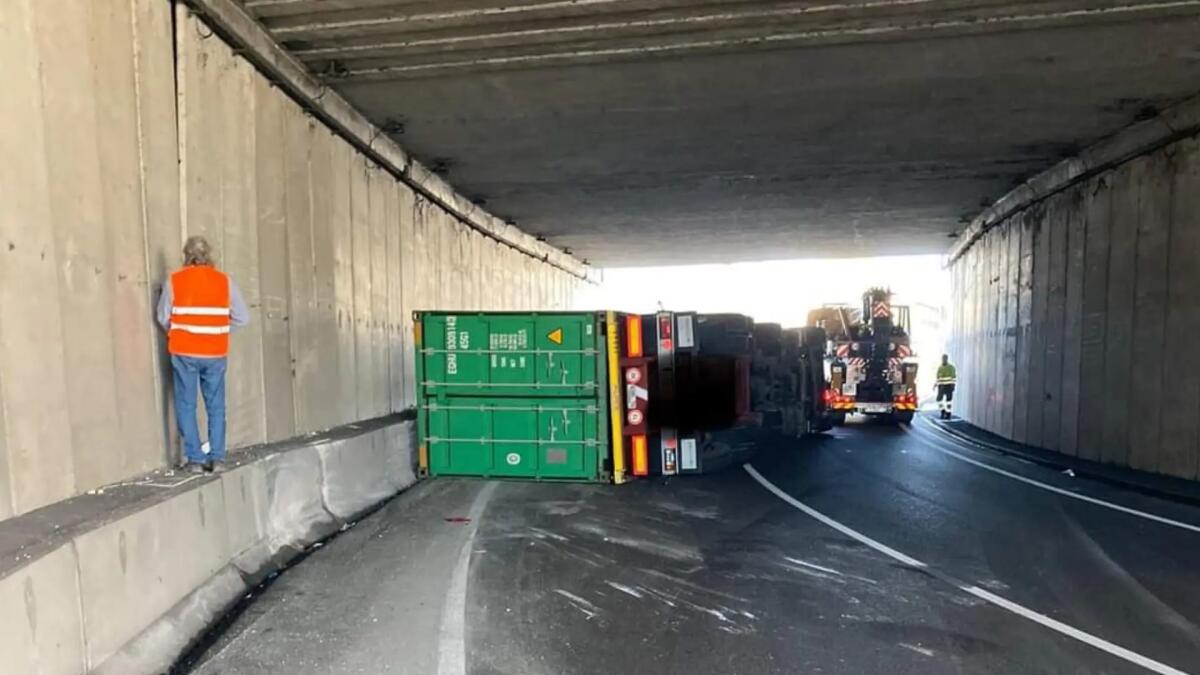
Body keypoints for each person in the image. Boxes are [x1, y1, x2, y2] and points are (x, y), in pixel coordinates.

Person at [157, 236, 249, 473]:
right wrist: (219, 331)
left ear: (186, 256)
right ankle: (217, 458)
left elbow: (162, 317)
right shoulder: (223, 282)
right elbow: (243, 317)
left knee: (186, 404)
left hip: (184, 351)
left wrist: (178, 332)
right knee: (216, 406)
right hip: (215, 353)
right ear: (209, 255)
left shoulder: (175, 281)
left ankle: (195, 460)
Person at [935, 354, 957, 420]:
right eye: (943, 358)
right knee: (938, 400)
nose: (944, 360)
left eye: (945, 358)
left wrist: (953, 385)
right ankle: (943, 411)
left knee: (948, 401)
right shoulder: (940, 368)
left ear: (947, 359)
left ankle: (948, 414)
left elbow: (954, 377)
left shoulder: (951, 367)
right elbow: (938, 377)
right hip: (941, 386)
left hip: (949, 386)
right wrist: (936, 384)